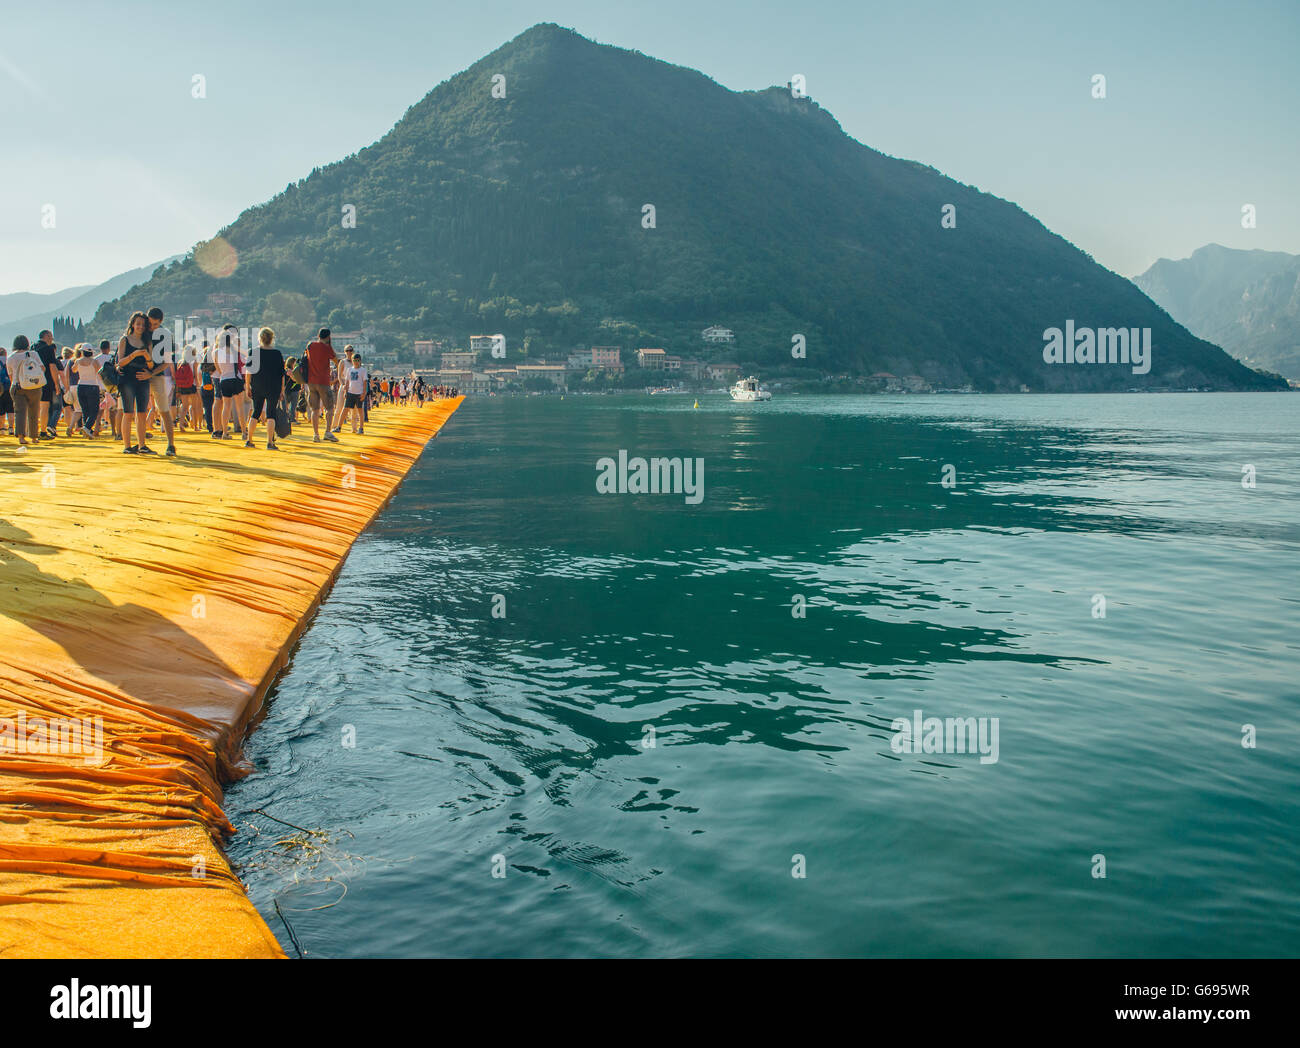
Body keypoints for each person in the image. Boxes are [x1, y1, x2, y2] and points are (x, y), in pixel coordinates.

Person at [116, 312, 154, 454]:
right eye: (138, 324)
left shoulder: (147, 342)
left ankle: (142, 445)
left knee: (142, 413)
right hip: (127, 379)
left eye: (143, 325)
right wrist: (135, 354)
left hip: (143, 378)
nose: (140, 327)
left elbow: (151, 365)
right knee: (128, 412)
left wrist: (147, 357)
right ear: (132, 324)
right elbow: (120, 362)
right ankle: (127, 446)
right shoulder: (124, 340)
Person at [144, 307, 177, 455]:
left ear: (161, 322)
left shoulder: (166, 335)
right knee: (140, 410)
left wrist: (151, 372)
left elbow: (167, 361)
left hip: (156, 374)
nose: (152, 327)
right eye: (150, 324)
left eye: (155, 324)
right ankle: (141, 443)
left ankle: (171, 444)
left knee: (164, 409)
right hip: (140, 374)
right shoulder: (142, 328)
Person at [245, 327, 284, 450]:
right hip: (273, 386)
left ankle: (249, 440)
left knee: (256, 412)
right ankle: (270, 443)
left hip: (257, 385)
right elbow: (281, 374)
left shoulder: (254, 352)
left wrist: (247, 386)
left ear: (260, 339)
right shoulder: (277, 353)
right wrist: (282, 390)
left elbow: (248, 371)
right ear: (272, 339)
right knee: (271, 413)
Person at [6, 336, 45, 448]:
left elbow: (11, 375)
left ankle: (21, 437)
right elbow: (42, 369)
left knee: (20, 412)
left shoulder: (11, 357)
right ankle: (34, 437)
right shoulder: (33, 354)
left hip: (18, 387)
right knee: (34, 411)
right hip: (34, 386)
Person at [303, 327, 339, 443]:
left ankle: (316, 434)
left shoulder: (310, 345)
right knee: (329, 408)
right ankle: (328, 432)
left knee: (315, 409)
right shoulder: (327, 348)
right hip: (323, 381)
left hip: (311, 382)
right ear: (328, 337)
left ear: (318, 335)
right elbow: (336, 361)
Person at [212, 324, 247, 439]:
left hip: (224, 380)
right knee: (239, 407)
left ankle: (225, 433)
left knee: (226, 407)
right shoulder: (235, 350)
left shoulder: (216, 352)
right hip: (236, 379)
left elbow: (218, 369)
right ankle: (243, 432)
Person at [33, 329, 64, 438]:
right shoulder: (48, 348)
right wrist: (56, 383)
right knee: (44, 407)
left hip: (32, 381)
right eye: (51, 337)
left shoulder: (33, 347)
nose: (52, 339)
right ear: (46, 336)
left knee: (33, 407)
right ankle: (42, 431)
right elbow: (52, 366)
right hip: (45, 381)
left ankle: (31, 430)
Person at [71, 344, 104, 437]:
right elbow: (100, 373)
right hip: (93, 385)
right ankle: (87, 427)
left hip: (81, 385)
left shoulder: (78, 361)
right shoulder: (94, 361)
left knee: (85, 409)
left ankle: (87, 429)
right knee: (94, 410)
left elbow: (73, 370)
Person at [174, 345, 202, 433]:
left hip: (183, 386)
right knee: (194, 407)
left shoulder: (180, 362)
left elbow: (177, 375)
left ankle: (181, 424)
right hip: (192, 385)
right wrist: (198, 387)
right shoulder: (194, 361)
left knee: (184, 406)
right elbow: (196, 376)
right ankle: (195, 426)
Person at [342, 352, 368, 434]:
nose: (356, 362)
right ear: (352, 361)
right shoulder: (350, 370)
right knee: (345, 409)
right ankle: (339, 427)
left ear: (360, 361)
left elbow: (364, 383)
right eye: (354, 360)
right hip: (350, 392)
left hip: (359, 393)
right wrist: (345, 391)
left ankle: (361, 428)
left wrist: (364, 393)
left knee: (360, 411)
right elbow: (347, 382)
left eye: (358, 360)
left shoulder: (363, 370)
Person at [0, 347, 12, 436]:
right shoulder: (9, 360)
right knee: (11, 408)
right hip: (10, 386)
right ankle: (11, 428)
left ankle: (2, 428)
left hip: (0, 387)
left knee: (1, 409)